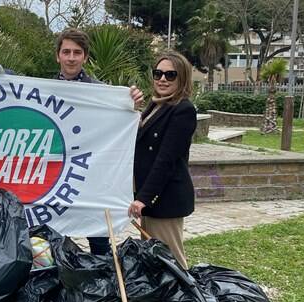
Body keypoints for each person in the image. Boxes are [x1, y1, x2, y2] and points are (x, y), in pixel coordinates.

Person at [53, 28, 144, 256]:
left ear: (85, 56)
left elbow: (126, 125)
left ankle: (101, 287)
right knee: (52, 240)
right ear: (58, 56)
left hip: (92, 179)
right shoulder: (43, 91)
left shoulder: (102, 93)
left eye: (77, 52)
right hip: (56, 178)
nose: (71, 58)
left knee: (100, 242)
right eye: (66, 52)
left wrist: (131, 104)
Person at [128, 51, 196, 269]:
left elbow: (166, 159)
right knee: (154, 259)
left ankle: (186, 301)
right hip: (150, 199)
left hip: (165, 199)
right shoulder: (156, 104)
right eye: (158, 73)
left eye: (170, 75)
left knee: (171, 261)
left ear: (182, 78)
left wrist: (144, 198)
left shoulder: (183, 110)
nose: (162, 79)